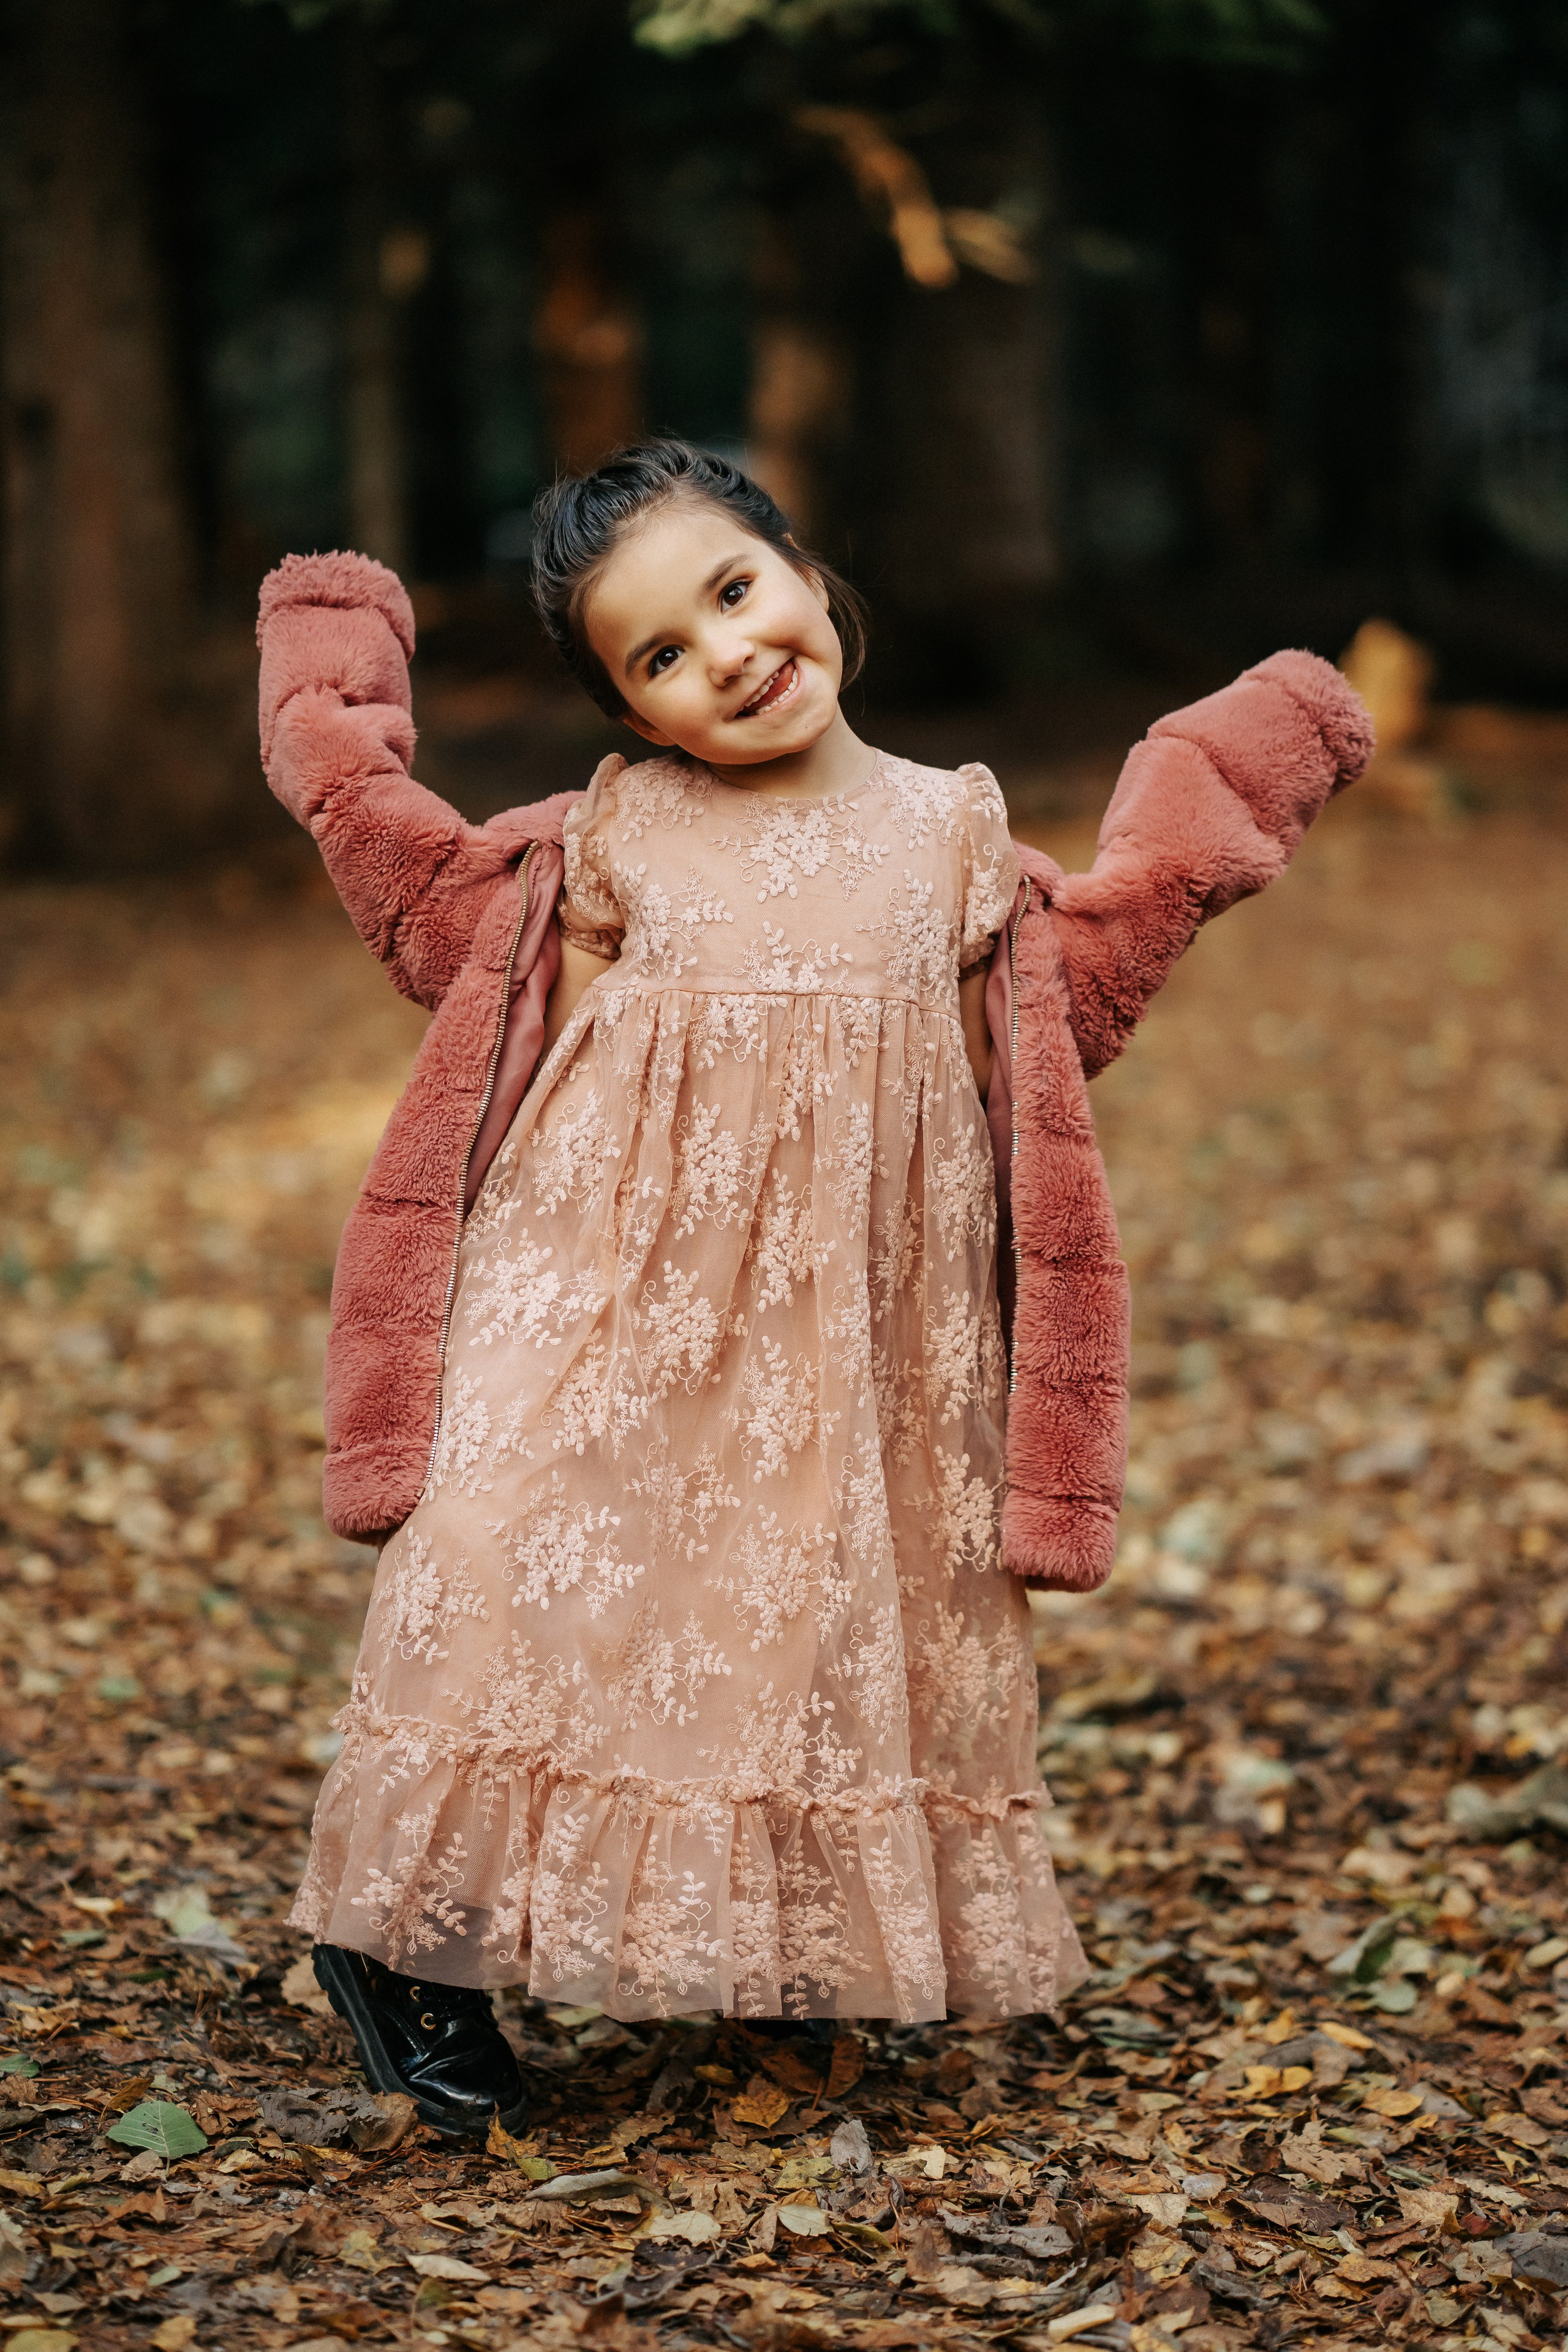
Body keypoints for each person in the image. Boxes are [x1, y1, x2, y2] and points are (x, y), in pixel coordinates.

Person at [255, 441, 1373, 2138]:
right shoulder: (616, 833)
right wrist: (335, 713)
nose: (729, 653)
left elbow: (1061, 1020)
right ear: (631, 713)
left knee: (805, 1608)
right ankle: (408, 1935)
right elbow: (473, 969)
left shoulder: (954, 835)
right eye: (663, 655)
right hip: (601, 1293)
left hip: (859, 1329)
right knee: (499, 1559)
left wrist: (1221, 795)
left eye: (733, 590)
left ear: (800, 567)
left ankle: (781, 1942)